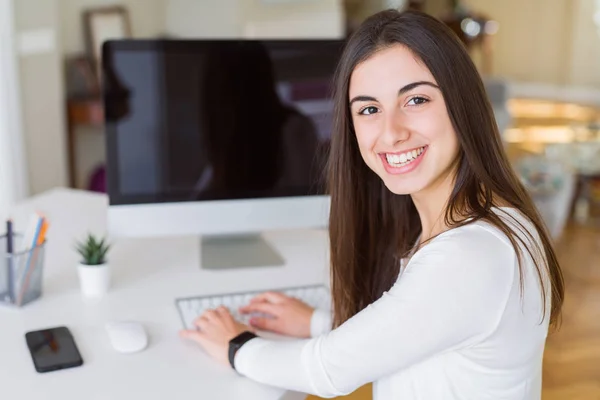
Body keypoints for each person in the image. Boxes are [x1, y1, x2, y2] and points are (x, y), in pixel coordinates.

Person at [179, 9, 564, 399]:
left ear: (462, 102)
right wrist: (317, 322)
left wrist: (235, 345)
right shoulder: (493, 221)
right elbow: (421, 326)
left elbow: (324, 371)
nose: (391, 132)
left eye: (415, 99)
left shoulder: (468, 257)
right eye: (369, 109)